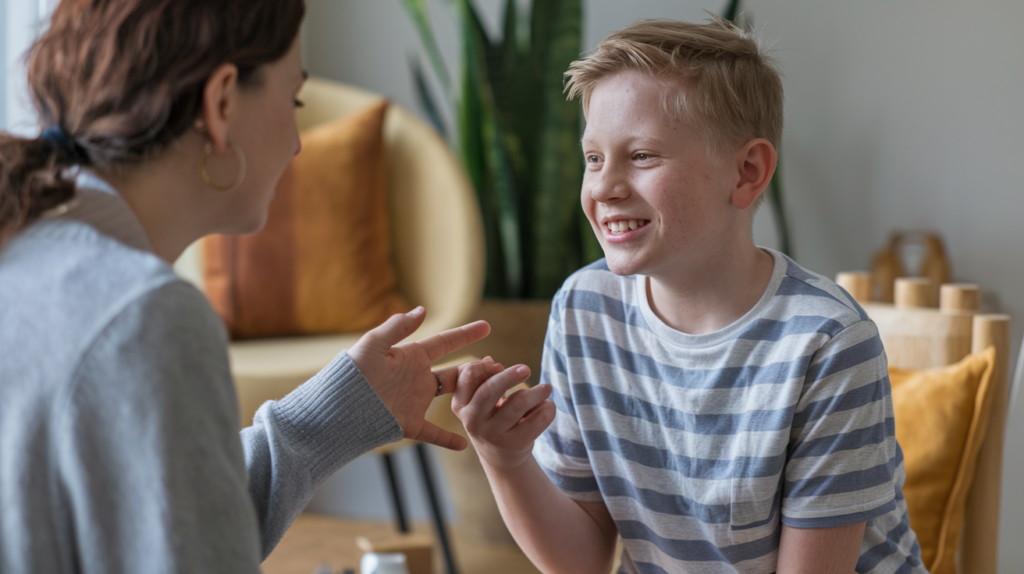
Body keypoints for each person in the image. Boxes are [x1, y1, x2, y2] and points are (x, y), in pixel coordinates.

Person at [0, 1, 502, 572]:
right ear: (220, 104)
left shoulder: (28, 245)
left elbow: (166, 516)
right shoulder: (143, 315)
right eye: (293, 101)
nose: (295, 142)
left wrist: (342, 409)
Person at [452, 16, 927, 574]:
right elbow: (580, 561)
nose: (604, 187)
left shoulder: (826, 344)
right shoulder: (584, 311)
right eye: (594, 158)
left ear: (747, 172)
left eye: (643, 156)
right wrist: (505, 459)